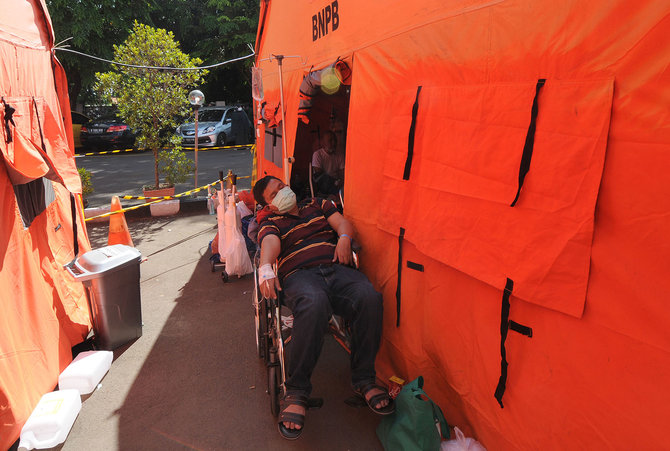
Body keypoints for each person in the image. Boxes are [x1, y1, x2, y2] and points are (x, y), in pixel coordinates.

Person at [253, 175, 394, 440]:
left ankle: (364, 379)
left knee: (369, 297)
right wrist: (264, 267)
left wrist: (343, 237)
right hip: (300, 275)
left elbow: (341, 223)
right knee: (314, 303)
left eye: (281, 187)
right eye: (274, 194)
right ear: (269, 207)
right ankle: (297, 391)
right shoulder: (271, 223)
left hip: (336, 267)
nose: (282, 192)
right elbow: (269, 244)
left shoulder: (318, 205)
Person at [311, 130, 345, 195]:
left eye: (335, 140)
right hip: (324, 185)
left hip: (336, 183)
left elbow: (342, 172)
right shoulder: (318, 154)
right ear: (323, 143)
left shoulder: (339, 155)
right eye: (330, 140)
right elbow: (318, 173)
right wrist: (333, 181)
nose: (333, 143)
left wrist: (340, 181)